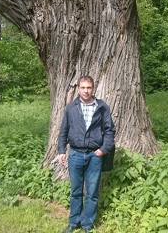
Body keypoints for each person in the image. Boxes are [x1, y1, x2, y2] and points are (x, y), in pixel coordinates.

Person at [57, 75, 116, 233]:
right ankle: (73, 221)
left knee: (92, 192)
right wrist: (61, 150)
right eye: (83, 87)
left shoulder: (102, 107)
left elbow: (110, 131)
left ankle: (87, 224)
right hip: (75, 154)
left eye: (89, 87)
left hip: (94, 156)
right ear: (78, 89)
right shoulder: (71, 107)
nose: (86, 91)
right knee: (76, 191)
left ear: (93, 88)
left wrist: (103, 149)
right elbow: (63, 130)